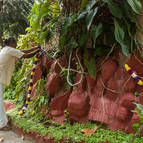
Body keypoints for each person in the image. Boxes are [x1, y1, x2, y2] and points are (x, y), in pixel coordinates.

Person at [0, 36, 40, 131]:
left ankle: (2, 122)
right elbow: (25, 55)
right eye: (16, 43)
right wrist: (37, 52)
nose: (17, 44)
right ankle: (2, 125)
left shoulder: (6, 49)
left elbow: (22, 50)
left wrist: (35, 48)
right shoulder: (9, 50)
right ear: (12, 43)